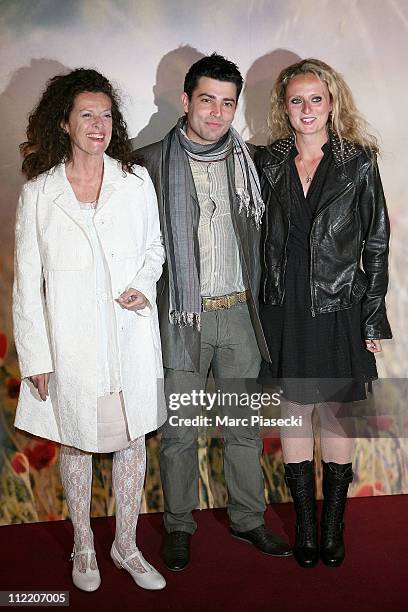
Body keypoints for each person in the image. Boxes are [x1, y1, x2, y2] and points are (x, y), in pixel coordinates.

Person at [134, 53, 292, 571]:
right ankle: (179, 526)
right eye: (208, 100)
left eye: (228, 103)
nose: (218, 113)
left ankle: (248, 519)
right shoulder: (149, 162)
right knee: (180, 432)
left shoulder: (253, 162)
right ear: (186, 101)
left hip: (240, 316)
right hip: (182, 318)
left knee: (243, 426)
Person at [13, 68, 167, 591]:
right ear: (65, 122)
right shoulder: (39, 193)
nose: (99, 124)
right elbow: (26, 283)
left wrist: (144, 284)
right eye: (87, 114)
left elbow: (155, 249)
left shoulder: (135, 179)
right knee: (75, 441)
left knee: (130, 440)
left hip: (127, 336)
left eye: (106, 115)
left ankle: (126, 546)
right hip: (71, 344)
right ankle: (84, 545)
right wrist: (36, 357)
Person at [254, 58, 391, 568]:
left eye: (316, 99)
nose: (307, 109)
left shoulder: (358, 162)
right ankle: (305, 530)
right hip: (284, 305)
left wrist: (372, 318)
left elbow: (376, 244)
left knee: (335, 414)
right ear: (284, 107)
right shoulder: (267, 163)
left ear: (332, 102)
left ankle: (333, 527)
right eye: (297, 100)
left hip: (339, 305)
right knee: (294, 412)